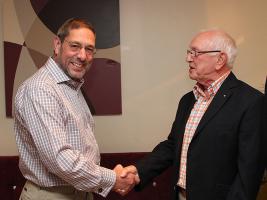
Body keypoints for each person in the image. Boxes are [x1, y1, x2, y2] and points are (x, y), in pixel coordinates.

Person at [120, 29, 265, 200]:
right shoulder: (187, 100)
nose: (188, 58)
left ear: (220, 59)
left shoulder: (251, 101)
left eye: (195, 53)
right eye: (189, 52)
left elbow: (249, 172)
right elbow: (173, 146)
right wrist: (138, 171)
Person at [14, 18, 137, 200]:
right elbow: (60, 159)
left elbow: (81, 150)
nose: (82, 56)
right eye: (75, 46)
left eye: (89, 49)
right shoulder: (41, 88)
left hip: (80, 192)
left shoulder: (70, 86)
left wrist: (111, 177)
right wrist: (113, 179)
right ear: (57, 45)